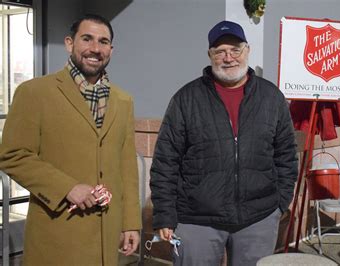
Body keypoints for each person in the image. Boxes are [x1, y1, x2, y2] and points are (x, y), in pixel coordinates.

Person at [150, 20, 298, 266]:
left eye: (235, 49)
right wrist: (164, 215)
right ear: (210, 55)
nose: (228, 58)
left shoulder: (271, 97)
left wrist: (279, 204)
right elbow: (166, 161)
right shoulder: (186, 99)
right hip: (197, 220)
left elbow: (286, 156)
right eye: (220, 51)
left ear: (247, 50)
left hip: (258, 219)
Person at [0, 14, 141, 265]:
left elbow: (127, 166)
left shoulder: (123, 100)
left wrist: (131, 222)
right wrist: (66, 187)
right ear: (69, 43)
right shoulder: (34, 93)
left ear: (111, 49)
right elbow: (13, 155)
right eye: (86, 39)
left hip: (106, 237)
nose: (95, 49)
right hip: (58, 232)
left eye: (103, 41)